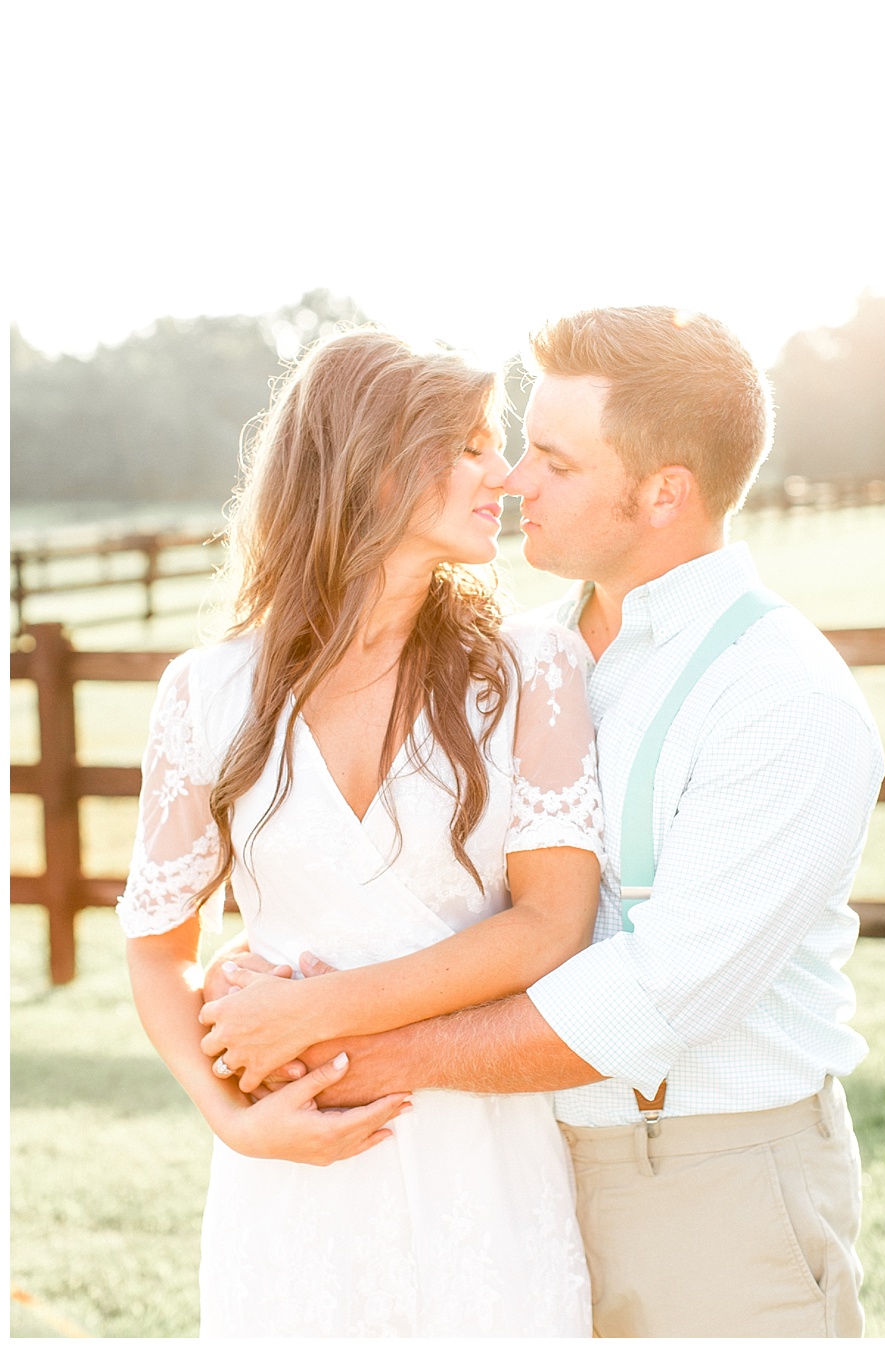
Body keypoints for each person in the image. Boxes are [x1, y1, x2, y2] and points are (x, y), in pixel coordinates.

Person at [210, 306, 885, 1337]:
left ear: (664, 492)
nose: (515, 477)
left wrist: (339, 1046)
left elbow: (655, 997)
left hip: (703, 1187)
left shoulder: (783, 697)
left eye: (555, 461)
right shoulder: (508, 661)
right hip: (512, 1172)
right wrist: (263, 978)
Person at [121, 330, 598, 1337]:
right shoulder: (206, 694)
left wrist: (316, 1014)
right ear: (376, 467)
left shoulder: (529, 670)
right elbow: (158, 949)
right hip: (293, 1183)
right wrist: (237, 1117)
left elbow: (551, 924)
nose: (503, 473)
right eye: (469, 445)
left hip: (483, 1161)